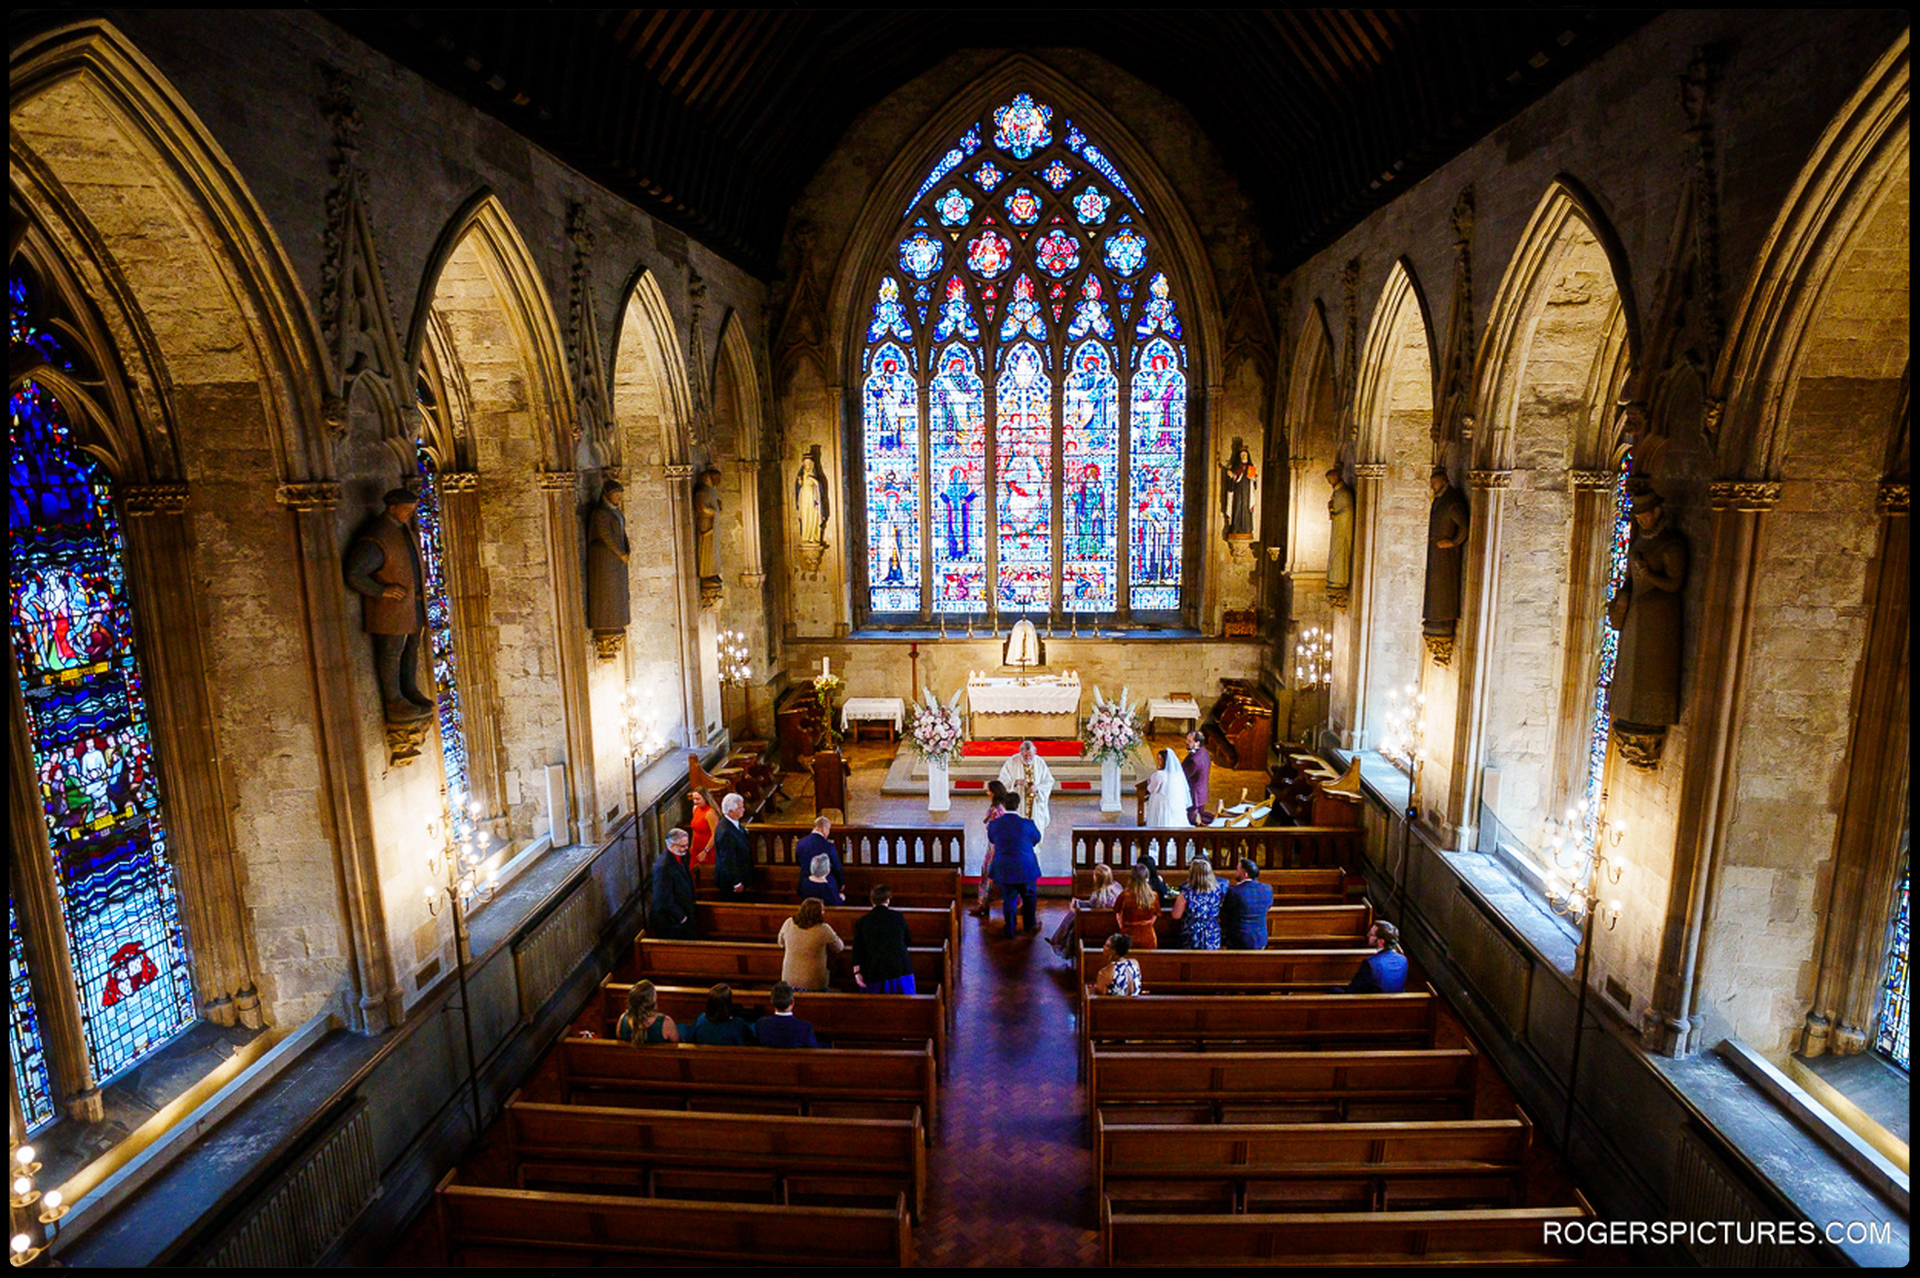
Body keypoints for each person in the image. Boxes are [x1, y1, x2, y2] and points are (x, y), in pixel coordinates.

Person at [342, 488, 432, 723]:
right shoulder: (378, 536)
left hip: (413, 605)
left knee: (412, 648)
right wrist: (382, 591)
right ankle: (394, 700)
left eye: (413, 511)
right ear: (392, 508)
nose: (411, 515)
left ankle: (409, 690)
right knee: (392, 652)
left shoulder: (403, 531)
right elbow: (354, 573)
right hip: (392, 609)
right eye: (407, 510)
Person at [985, 790, 1043, 938]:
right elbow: (1036, 839)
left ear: (1004, 804)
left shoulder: (995, 824)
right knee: (1029, 897)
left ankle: (1009, 928)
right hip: (1025, 867)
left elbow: (992, 839)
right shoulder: (1028, 824)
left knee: (1009, 899)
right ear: (1018, 805)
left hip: (1004, 867)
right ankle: (1030, 926)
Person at [852, 883, 917, 994]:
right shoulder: (898, 917)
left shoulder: (863, 921)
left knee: (877, 1007)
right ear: (888, 900)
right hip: (900, 968)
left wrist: (857, 973)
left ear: (872, 901)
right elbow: (908, 939)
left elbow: (857, 950)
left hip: (874, 970)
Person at [1047, 862, 1121, 958]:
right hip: (1111, 924)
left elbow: (1091, 911)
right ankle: (1057, 940)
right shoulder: (1117, 888)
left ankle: (1058, 941)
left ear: (1097, 878)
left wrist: (1073, 908)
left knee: (1072, 917)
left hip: (1095, 925)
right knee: (1074, 913)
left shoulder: (1097, 896)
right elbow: (1093, 906)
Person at [777, 896, 845, 991]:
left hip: (789, 980)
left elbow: (780, 943)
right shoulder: (824, 929)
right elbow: (839, 947)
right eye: (822, 911)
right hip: (814, 983)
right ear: (818, 914)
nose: (824, 913)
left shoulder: (788, 923)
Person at [994, 740, 1056, 837]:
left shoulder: (1039, 762)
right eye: (1025, 755)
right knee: (1018, 832)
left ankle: (1034, 851)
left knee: (1035, 831)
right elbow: (1002, 781)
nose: (1028, 758)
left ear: (1035, 753)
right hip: (1018, 805)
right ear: (1020, 753)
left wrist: (1037, 788)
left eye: (1030, 755)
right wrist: (1015, 782)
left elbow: (1049, 781)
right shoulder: (1012, 762)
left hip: (1035, 805)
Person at [647, 828, 697, 939]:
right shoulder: (663, 867)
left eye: (687, 845)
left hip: (683, 910)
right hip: (670, 919)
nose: (686, 848)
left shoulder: (681, 856)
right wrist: (681, 916)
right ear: (672, 845)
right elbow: (663, 897)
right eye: (682, 846)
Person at [971, 781, 1010, 920]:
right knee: (987, 874)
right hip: (995, 846)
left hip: (997, 847)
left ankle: (984, 904)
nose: (986, 793)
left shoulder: (998, 810)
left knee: (989, 875)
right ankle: (984, 904)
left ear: (994, 792)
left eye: (988, 791)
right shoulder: (998, 807)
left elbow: (997, 829)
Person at [1169, 854, 1226, 950]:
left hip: (1192, 935)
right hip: (1211, 934)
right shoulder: (1217, 892)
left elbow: (1176, 915)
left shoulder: (1186, 894)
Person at [1341, 920, 1409, 994]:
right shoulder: (1403, 959)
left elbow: (1353, 990)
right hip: (1395, 1003)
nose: (1367, 935)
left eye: (1371, 934)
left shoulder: (1371, 964)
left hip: (1374, 1003)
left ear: (1381, 941)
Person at [1221, 858, 1275, 950]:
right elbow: (1268, 905)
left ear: (1245, 875)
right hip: (1260, 939)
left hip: (1239, 940)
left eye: (1237, 870)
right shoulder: (1267, 889)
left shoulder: (1234, 892)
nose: (1235, 872)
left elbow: (1225, 911)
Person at [752, 981, 821, 1048]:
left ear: (771, 1002)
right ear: (792, 1002)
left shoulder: (761, 1025)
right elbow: (814, 1050)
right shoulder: (805, 1028)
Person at [710, 789, 752, 897]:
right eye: (740, 808)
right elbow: (728, 859)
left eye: (742, 806)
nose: (743, 809)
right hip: (730, 883)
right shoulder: (726, 832)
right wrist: (736, 882)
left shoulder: (732, 823)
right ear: (730, 811)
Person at [688, 983, 755, 1046]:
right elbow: (751, 1039)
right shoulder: (738, 1024)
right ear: (728, 1004)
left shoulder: (701, 1021)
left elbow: (692, 1039)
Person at [1115, 862, 1162, 950]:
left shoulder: (1124, 896)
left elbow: (1118, 914)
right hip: (1147, 935)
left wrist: (1124, 927)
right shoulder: (1153, 896)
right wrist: (1146, 925)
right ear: (1147, 878)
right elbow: (1156, 914)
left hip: (1128, 934)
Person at [616, 979, 679, 1045]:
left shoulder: (622, 1020)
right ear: (652, 1002)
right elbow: (677, 1045)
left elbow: (620, 1040)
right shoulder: (666, 1023)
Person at [1141, 748, 1192, 828]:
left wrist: (1149, 783)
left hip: (1160, 804)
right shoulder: (1177, 775)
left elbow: (1151, 789)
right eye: (1158, 759)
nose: (1158, 762)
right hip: (1172, 804)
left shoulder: (1159, 774)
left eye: (1160, 759)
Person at [794, 815, 844, 896]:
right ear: (824, 828)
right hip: (824, 887)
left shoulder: (801, 843)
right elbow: (836, 866)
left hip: (805, 885)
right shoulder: (828, 846)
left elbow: (798, 861)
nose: (828, 833)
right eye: (829, 829)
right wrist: (841, 883)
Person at [1181, 730, 1213, 825]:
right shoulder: (1203, 752)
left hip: (1194, 793)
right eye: (1187, 740)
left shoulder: (1195, 760)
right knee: (1201, 814)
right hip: (1201, 790)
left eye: (1190, 741)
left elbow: (1185, 775)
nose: (1186, 742)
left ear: (1197, 743)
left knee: (1193, 819)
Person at [688, 789, 719, 866]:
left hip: (708, 848)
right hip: (697, 846)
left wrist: (706, 851)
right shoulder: (695, 809)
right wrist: (692, 845)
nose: (695, 801)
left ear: (705, 798)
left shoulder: (710, 813)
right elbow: (694, 830)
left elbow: (715, 834)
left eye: (698, 799)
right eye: (693, 799)